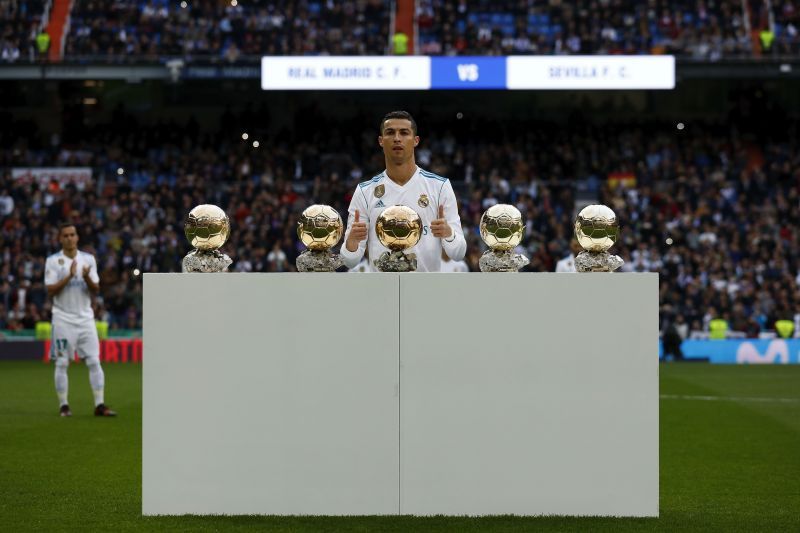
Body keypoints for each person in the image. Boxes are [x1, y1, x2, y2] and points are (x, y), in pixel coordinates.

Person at [341, 110, 466, 272]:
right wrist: (352, 242)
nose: (397, 138)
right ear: (381, 141)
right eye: (390, 133)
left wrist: (448, 234)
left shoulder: (439, 186)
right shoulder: (365, 191)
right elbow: (349, 261)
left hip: (426, 290)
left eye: (404, 133)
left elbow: (459, 253)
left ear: (415, 140)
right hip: (381, 291)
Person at [44, 223, 116, 417]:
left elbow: (96, 290)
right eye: (65, 235)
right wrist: (69, 276)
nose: (69, 238)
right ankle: (64, 405)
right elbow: (50, 290)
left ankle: (100, 405)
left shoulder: (88, 259)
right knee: (61, 363)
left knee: (94, 361)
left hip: (85, 318)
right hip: (62, 319)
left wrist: (86, 277)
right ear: (60, 239)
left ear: (77, 237)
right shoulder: (53, 261)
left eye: (72, 234)